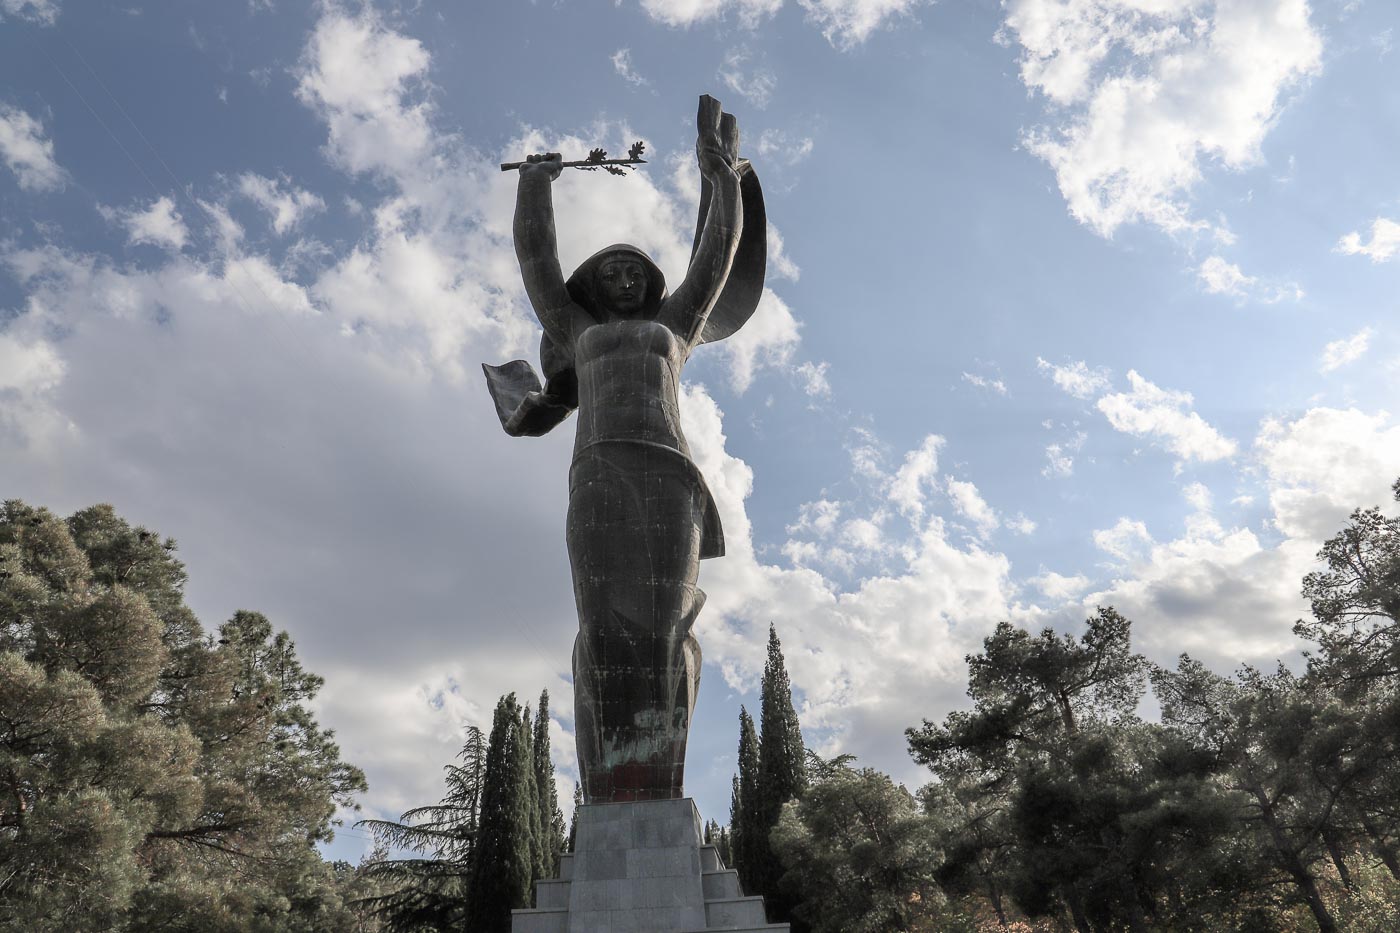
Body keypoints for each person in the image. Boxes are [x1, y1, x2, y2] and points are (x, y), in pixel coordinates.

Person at [484, 95, 765, 802]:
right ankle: (611, 781)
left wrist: (720, 176)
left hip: (668, 478)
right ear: (592, 286)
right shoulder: (577, 332)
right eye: (608, 270)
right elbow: (537, 263)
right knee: (602, 629)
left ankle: (659, 777)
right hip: (598, 473)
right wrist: (535, 185)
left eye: (633, 268)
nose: (623, 276)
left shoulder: (676, 326)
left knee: (666, 627)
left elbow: (715, 256)